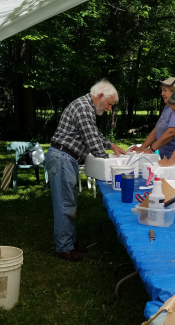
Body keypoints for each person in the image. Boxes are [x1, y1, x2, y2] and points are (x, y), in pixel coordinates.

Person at [46, 80, 126, 261]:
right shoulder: (84, 108)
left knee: (69, 202)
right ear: (100, 96)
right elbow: (92, 141)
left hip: (65, 158)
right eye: (109, 104)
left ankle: (70, 243)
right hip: (62, 158)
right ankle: (64, 248)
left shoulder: (86, 107)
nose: (109, 109)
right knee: (65, 205)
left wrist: (111, 145)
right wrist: (113, 166)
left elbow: (94, 134)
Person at [128, 77, 175, 159]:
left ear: (174, 92)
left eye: (165, 90)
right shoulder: (167, 108)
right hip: (165, 158)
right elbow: (156, 130)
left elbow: (171, 132)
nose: (162, 94)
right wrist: (142, 148)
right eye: (162, 90)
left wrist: (151, 149)